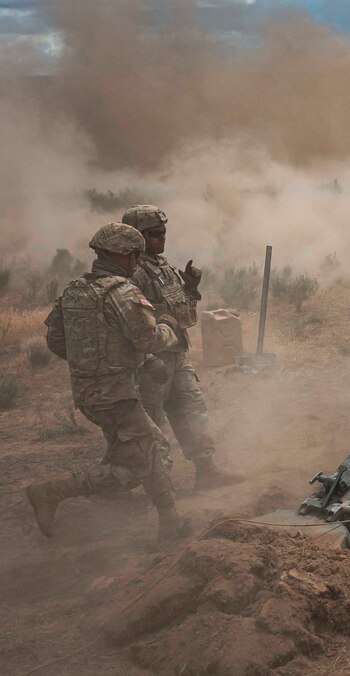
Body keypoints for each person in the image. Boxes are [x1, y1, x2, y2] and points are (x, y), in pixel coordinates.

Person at [29, 222, 190, 541]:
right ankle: (52, 492)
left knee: (151, 447)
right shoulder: (122, 291)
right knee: (137, 466)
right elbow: (147, 338)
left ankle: (169, 521)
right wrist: (169, 325)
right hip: (116, 395)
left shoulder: (74, 289)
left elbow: (57, 341)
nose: (136, 263)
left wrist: (94, 366)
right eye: (135, 257)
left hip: (89, 393)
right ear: (125, 257)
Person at [121, 205, 242, 488]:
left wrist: (190, 289)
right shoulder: (133, 274)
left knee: (191, 410)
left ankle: (206, 470)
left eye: (163, 232)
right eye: (154, 234)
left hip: (176, 353)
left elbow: (185, 317)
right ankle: (144, 485)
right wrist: (149, 357)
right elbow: (131, 323)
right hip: (151, 359)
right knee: (149, 422)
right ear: (137, 236)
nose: (161, 238)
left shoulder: (162, 266)